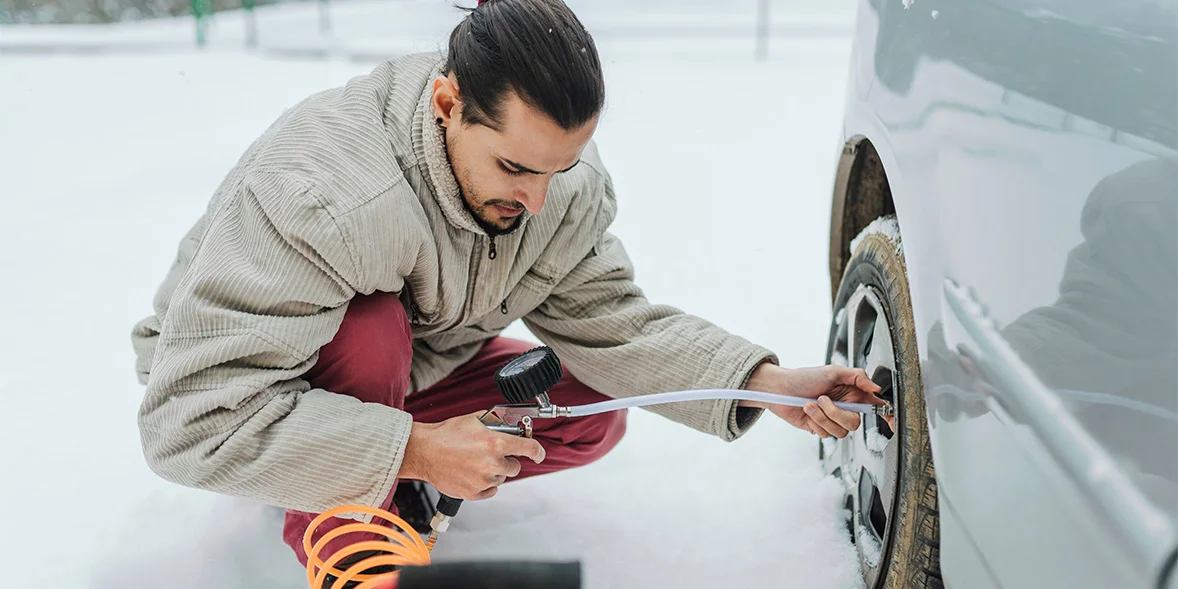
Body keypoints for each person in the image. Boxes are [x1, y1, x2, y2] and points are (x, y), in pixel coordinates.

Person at [129, 0, 889, 575]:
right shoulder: (326, 196)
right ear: (447, 104)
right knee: (369, 328)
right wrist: (417, 448)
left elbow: (614, 325)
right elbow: (188, 420)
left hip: (412, 367)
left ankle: (380, 471)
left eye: (557, 170)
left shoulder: (550, 189)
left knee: (587, 405)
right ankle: (345, 539)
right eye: (516, 169)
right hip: (256, 382)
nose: (533, 202)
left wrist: (765, 382)